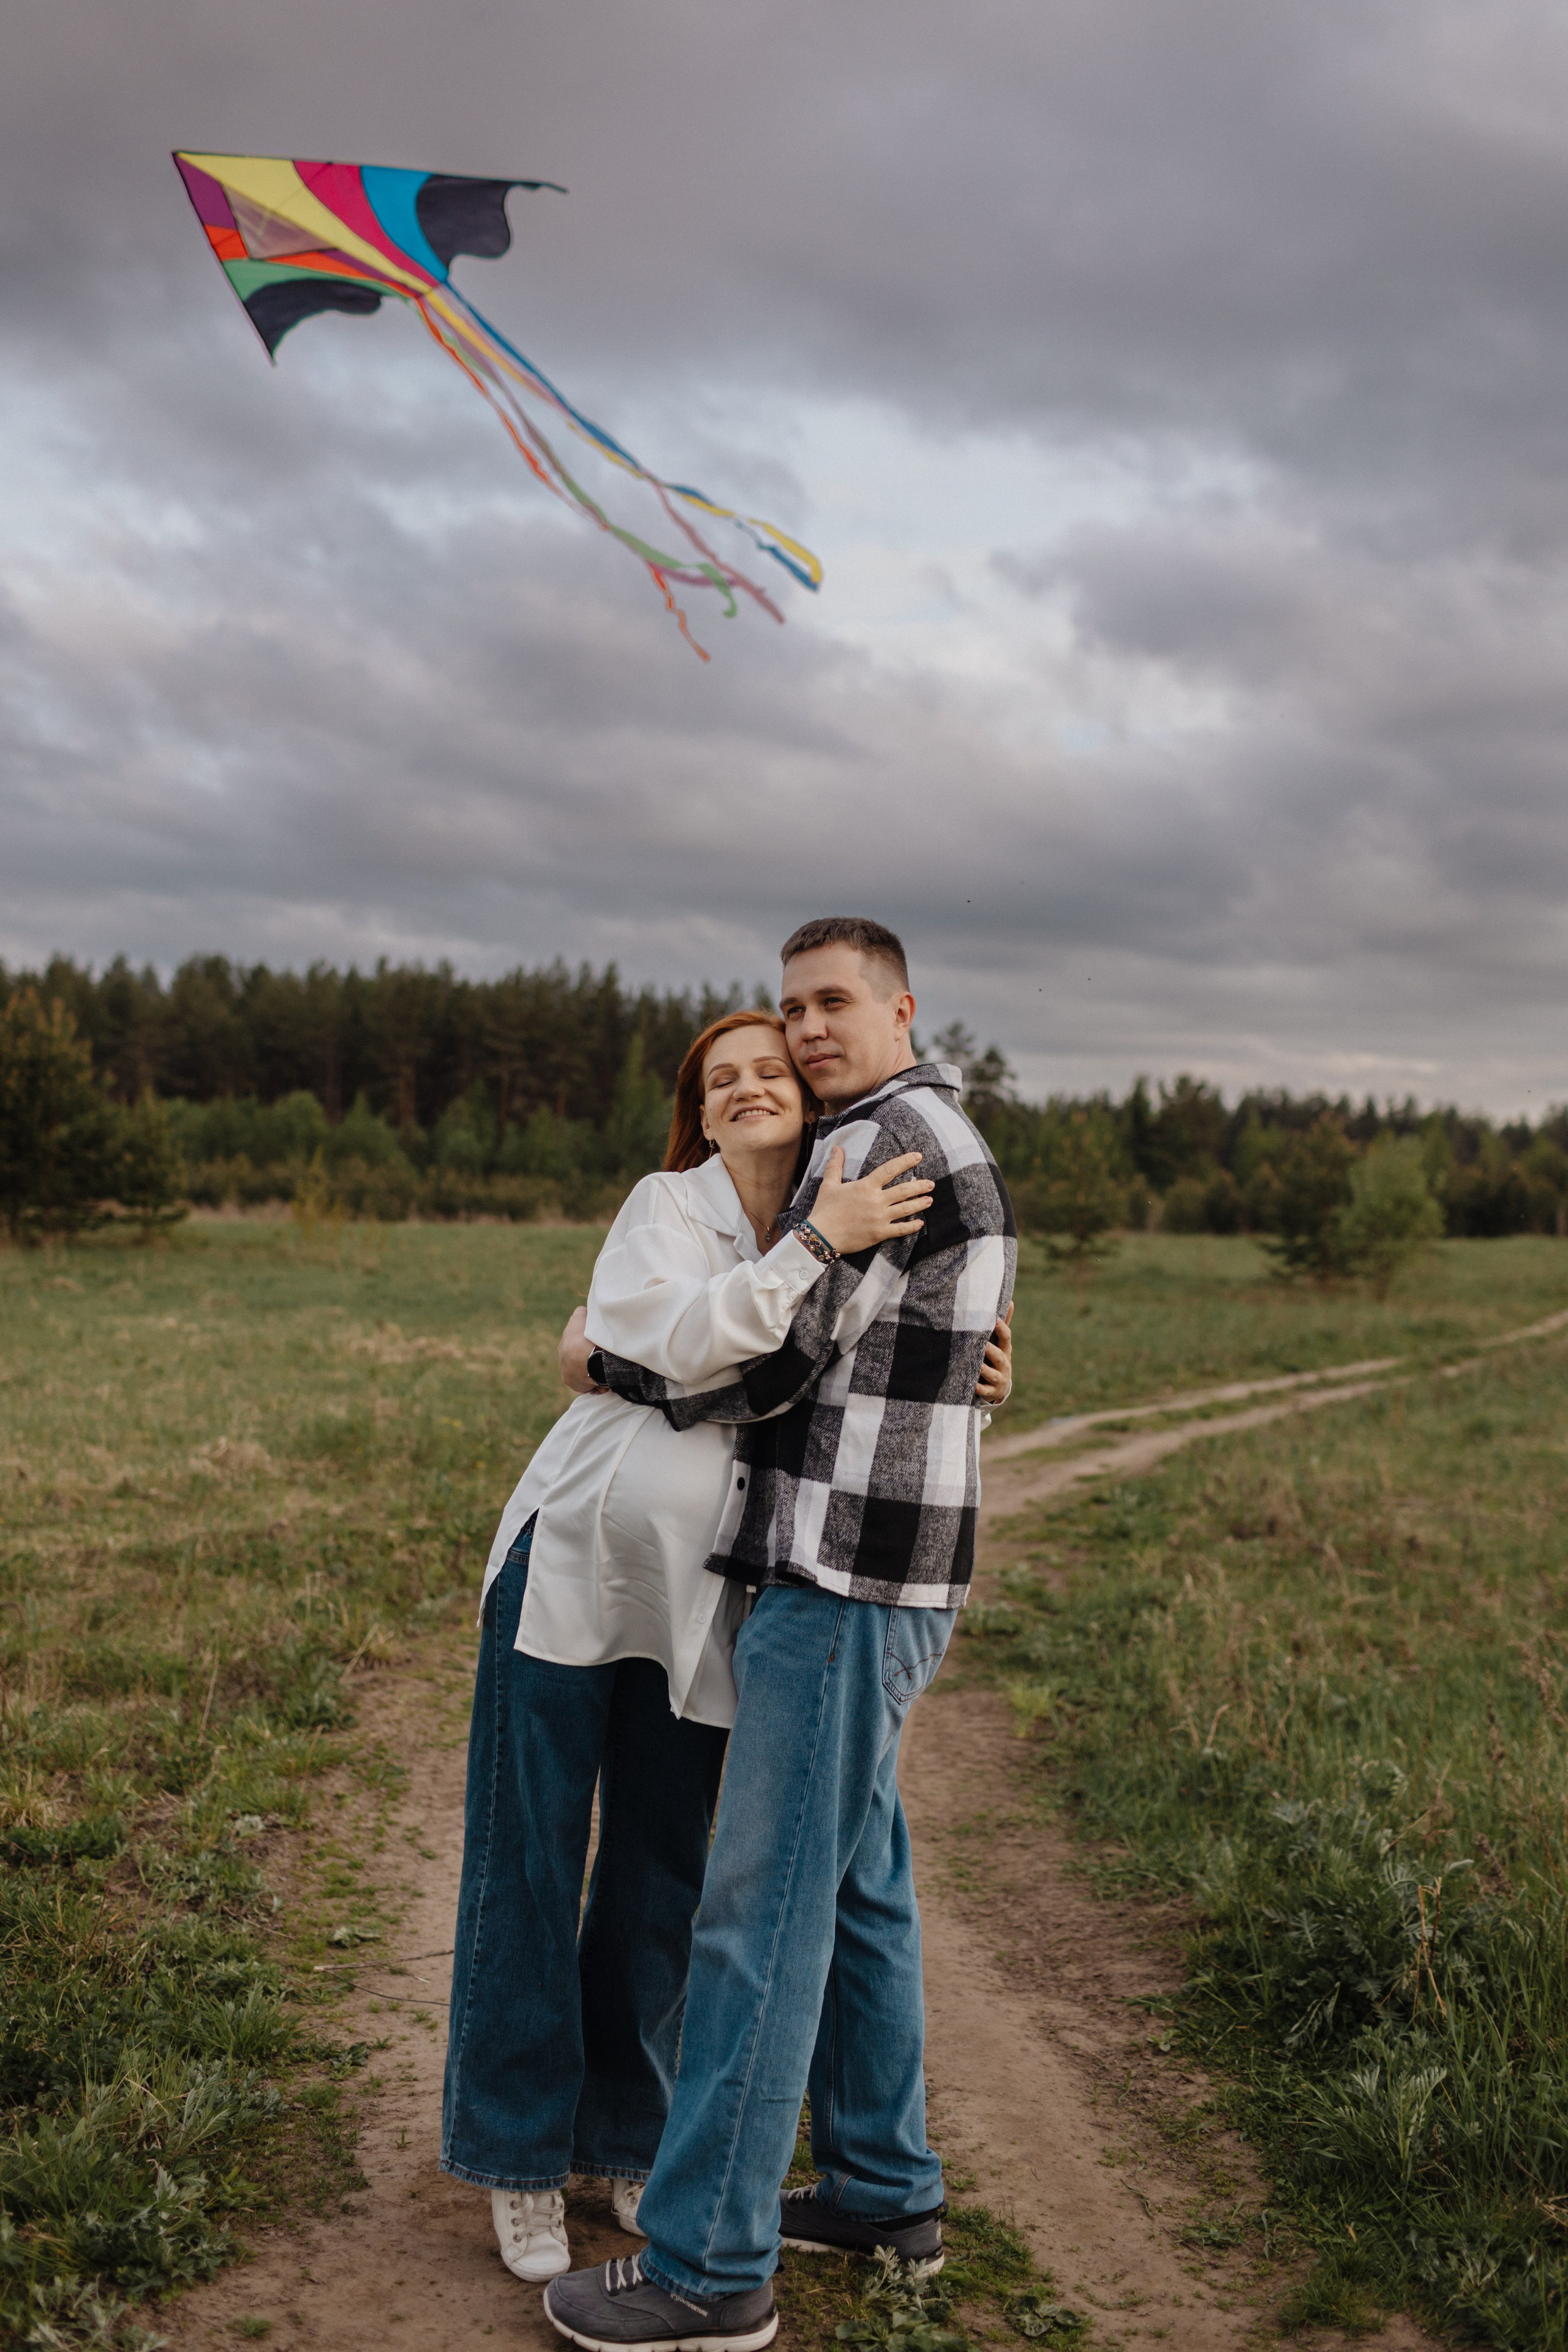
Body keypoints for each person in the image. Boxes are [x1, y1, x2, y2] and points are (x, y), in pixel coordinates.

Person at [441, 1006, 1012, 2288]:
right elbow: (681, 1344)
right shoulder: (668, 1207)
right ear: (697, 1115)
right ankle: (517, 2154)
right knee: (529, 1859)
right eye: (723, 1080)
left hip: (709, 1606)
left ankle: (626, 2136)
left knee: (660, 1874)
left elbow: (884, 1389)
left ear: (808, 1105)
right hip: (570, 1575)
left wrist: (980, 1377)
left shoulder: (853, 1218)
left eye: (772, 1073)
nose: (751, 1088)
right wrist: (814, 1245)